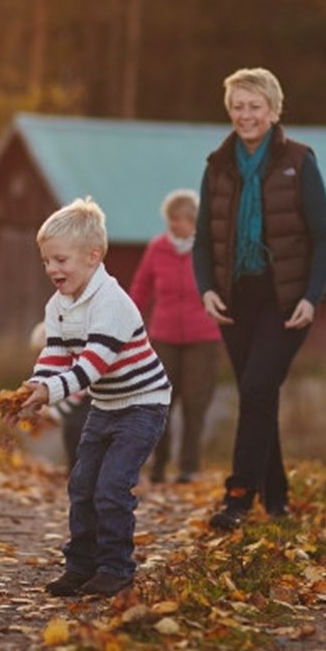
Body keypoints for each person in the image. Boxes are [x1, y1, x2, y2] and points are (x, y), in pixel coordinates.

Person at [12, 198, 171, 597]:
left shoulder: (112, 303)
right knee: (82, 484)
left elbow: (90, 366)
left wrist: (51, 391)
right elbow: (55, 355)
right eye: (47, 261)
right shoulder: (59, 306)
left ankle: (116, 567)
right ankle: (80, 565)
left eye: (61, 260)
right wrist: (35, 387)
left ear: (93, 256)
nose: (52, 269)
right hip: (105, 405)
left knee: (112, 486)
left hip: (142, 404)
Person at [193, 68, 326, 530]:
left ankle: (237, 497)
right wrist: (207, 288)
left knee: (254, 389)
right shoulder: (218, 165)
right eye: (238, 106)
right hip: (234, 300)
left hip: (286, 298)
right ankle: (278, 499)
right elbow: (201, 242)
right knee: (260, 394)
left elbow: (323, 236)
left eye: (254, 106)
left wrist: (312, 297)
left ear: (272, 110)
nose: (245, 115)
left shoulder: (299, 160)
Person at [129, 189, 222, 484]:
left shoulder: (209, 249)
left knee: (196, 403)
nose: (174, 225)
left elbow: (226, 289)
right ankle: (158, 465)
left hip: (203, 338)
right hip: (163, 337)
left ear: (194, 221)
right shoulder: (157, 248)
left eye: (180, 220)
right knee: (160, 402)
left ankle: (188, 468)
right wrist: (128, 324)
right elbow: (141, 288)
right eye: (171, 219)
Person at [29, 320, 90, 471]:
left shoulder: (77, 360)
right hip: (82, 400)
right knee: (71, 428)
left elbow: (78, 392)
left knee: (76, 428)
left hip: (91, 397)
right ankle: (74, 468)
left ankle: (79, 470)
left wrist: (55, 414)